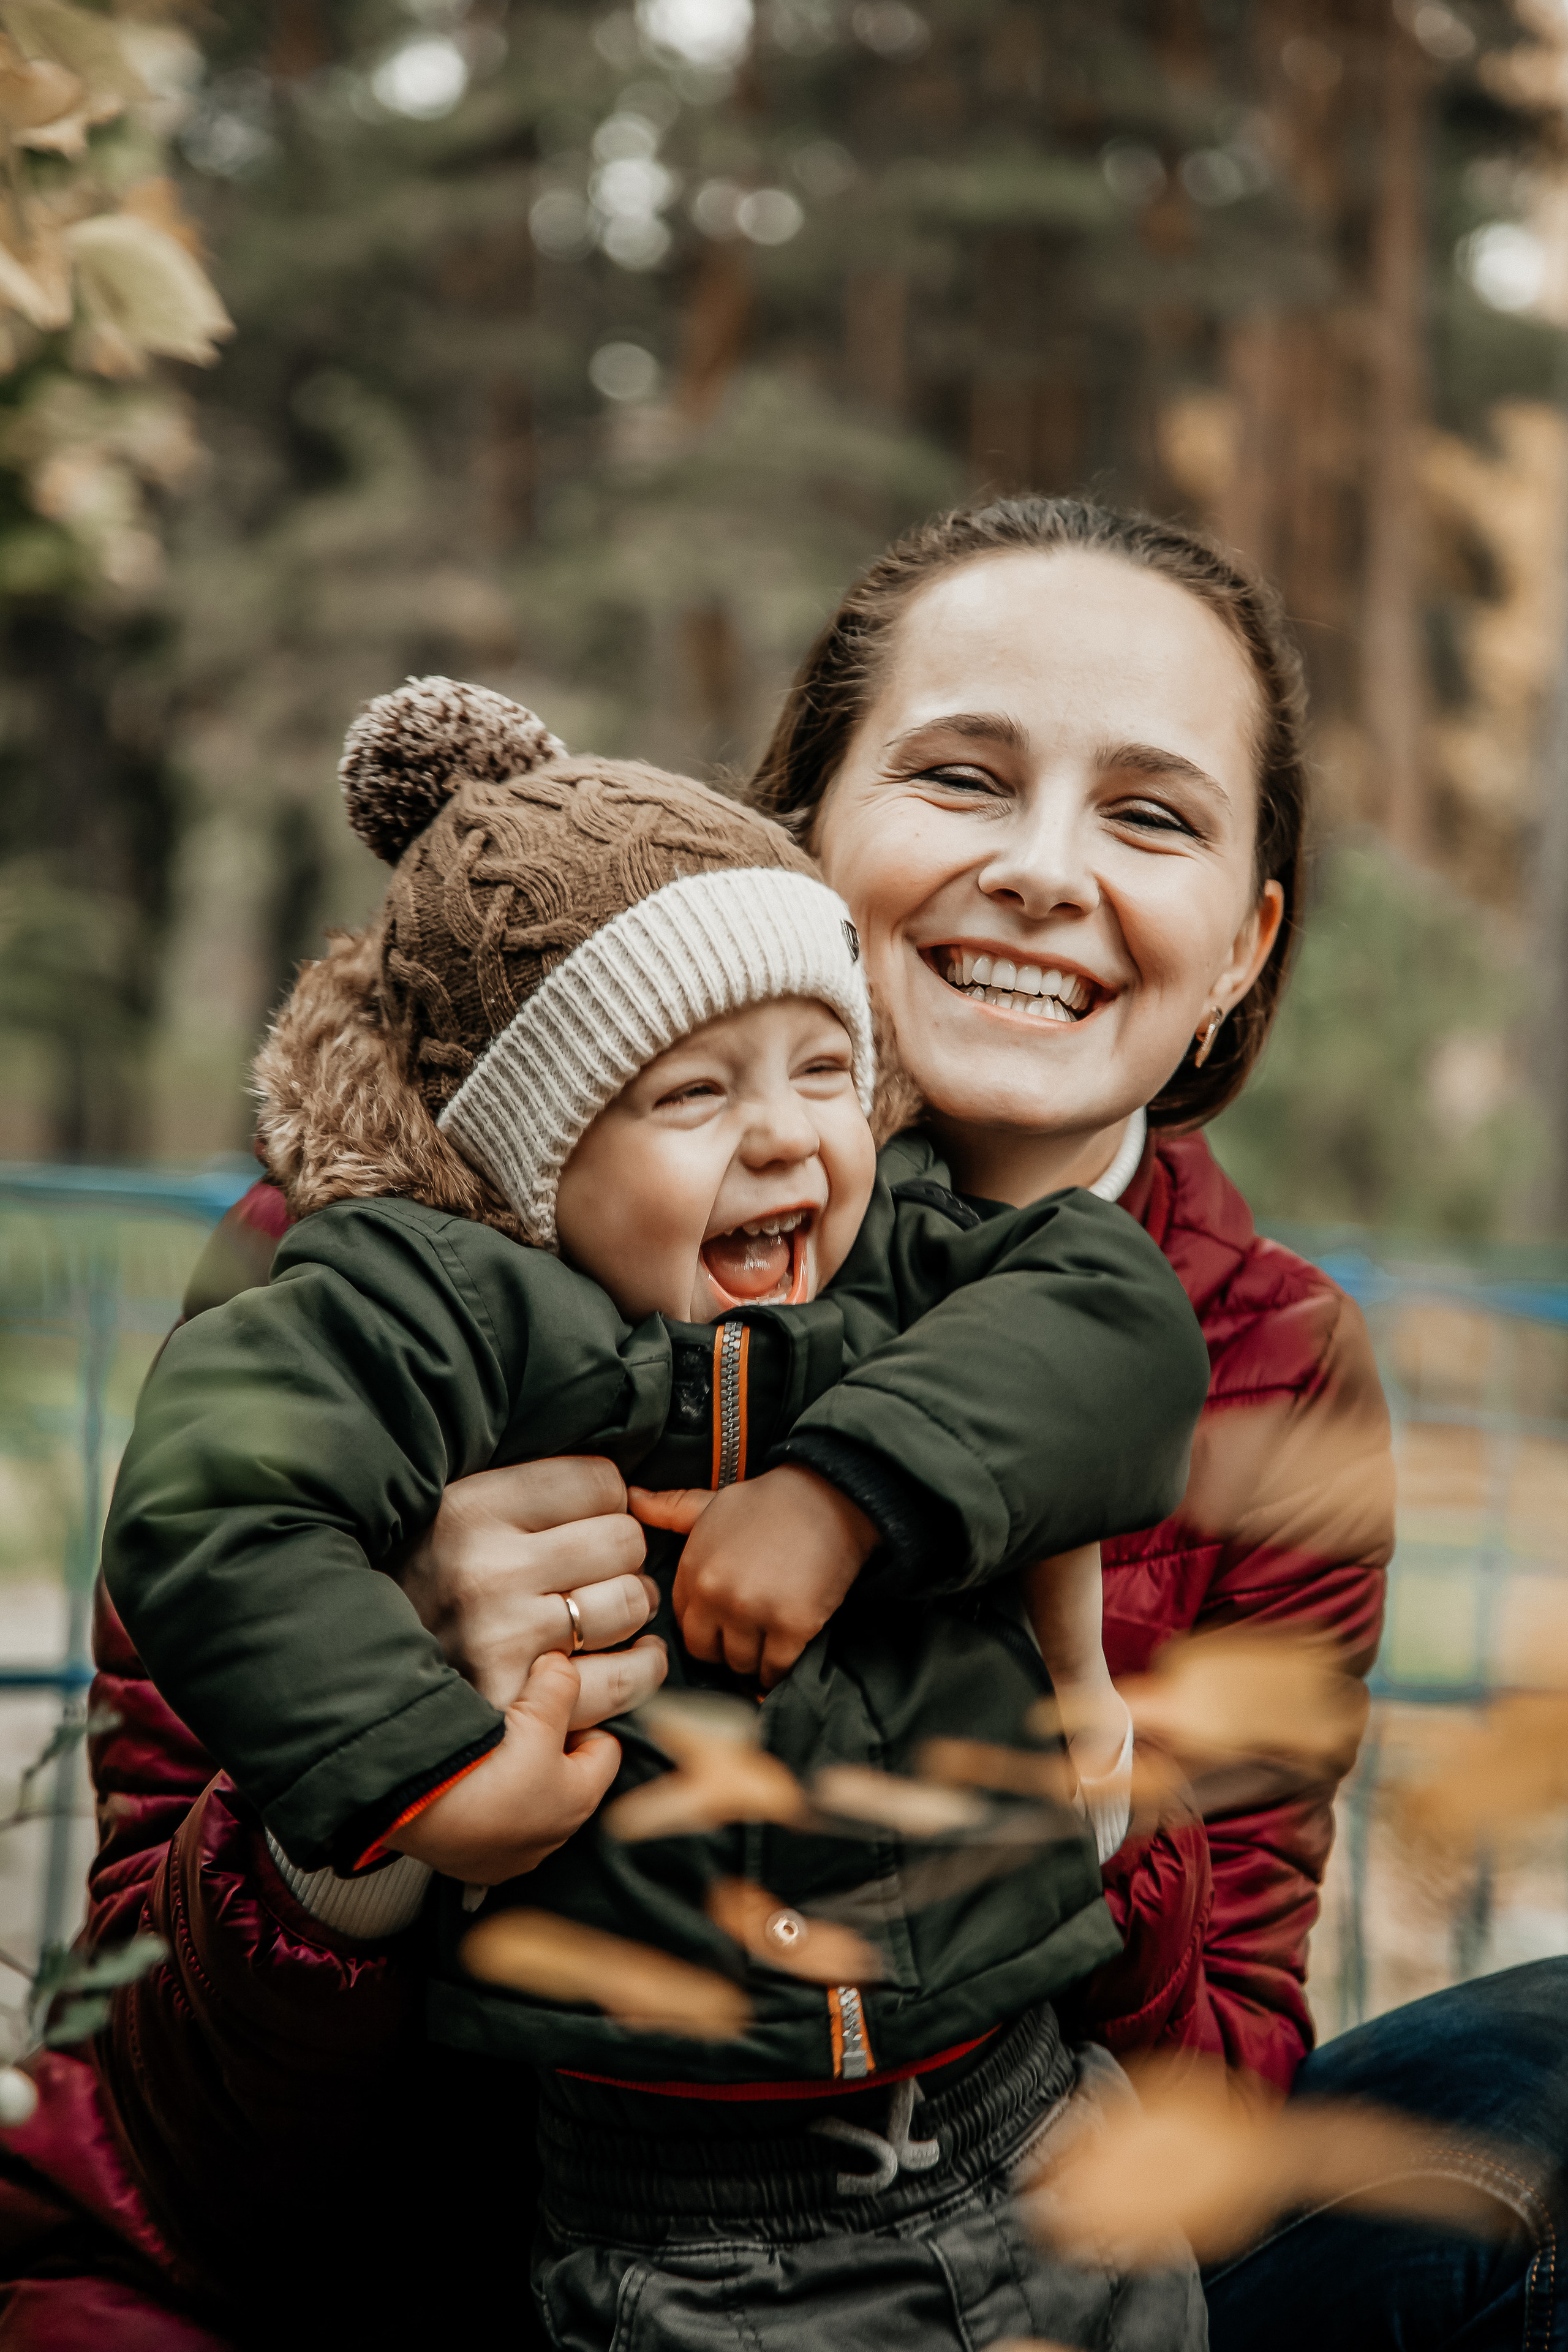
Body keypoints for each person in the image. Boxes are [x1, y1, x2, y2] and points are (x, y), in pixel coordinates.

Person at [1, 494, 1555, 2350]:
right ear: (794, 832)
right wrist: (383, 1775)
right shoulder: (383, 1262)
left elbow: (1215, 2084)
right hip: (452, 2253)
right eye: (961, 776)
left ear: (1241, 944)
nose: (1048, 871)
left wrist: (1077, 1774)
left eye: (1150, 813)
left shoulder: (1268, 1355)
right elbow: (167, 2114)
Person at [94, 673, 1209, 2345]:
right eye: (694, 1094)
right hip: (700, 2228)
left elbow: (1114, 1322)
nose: (786, 1139)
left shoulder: (910, 1255)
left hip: (1041, 2130)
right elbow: (213, 1500)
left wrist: (847, 1488)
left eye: (825, 1067)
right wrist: (423, 1774)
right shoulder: (444, 1310)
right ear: (540, 1153)